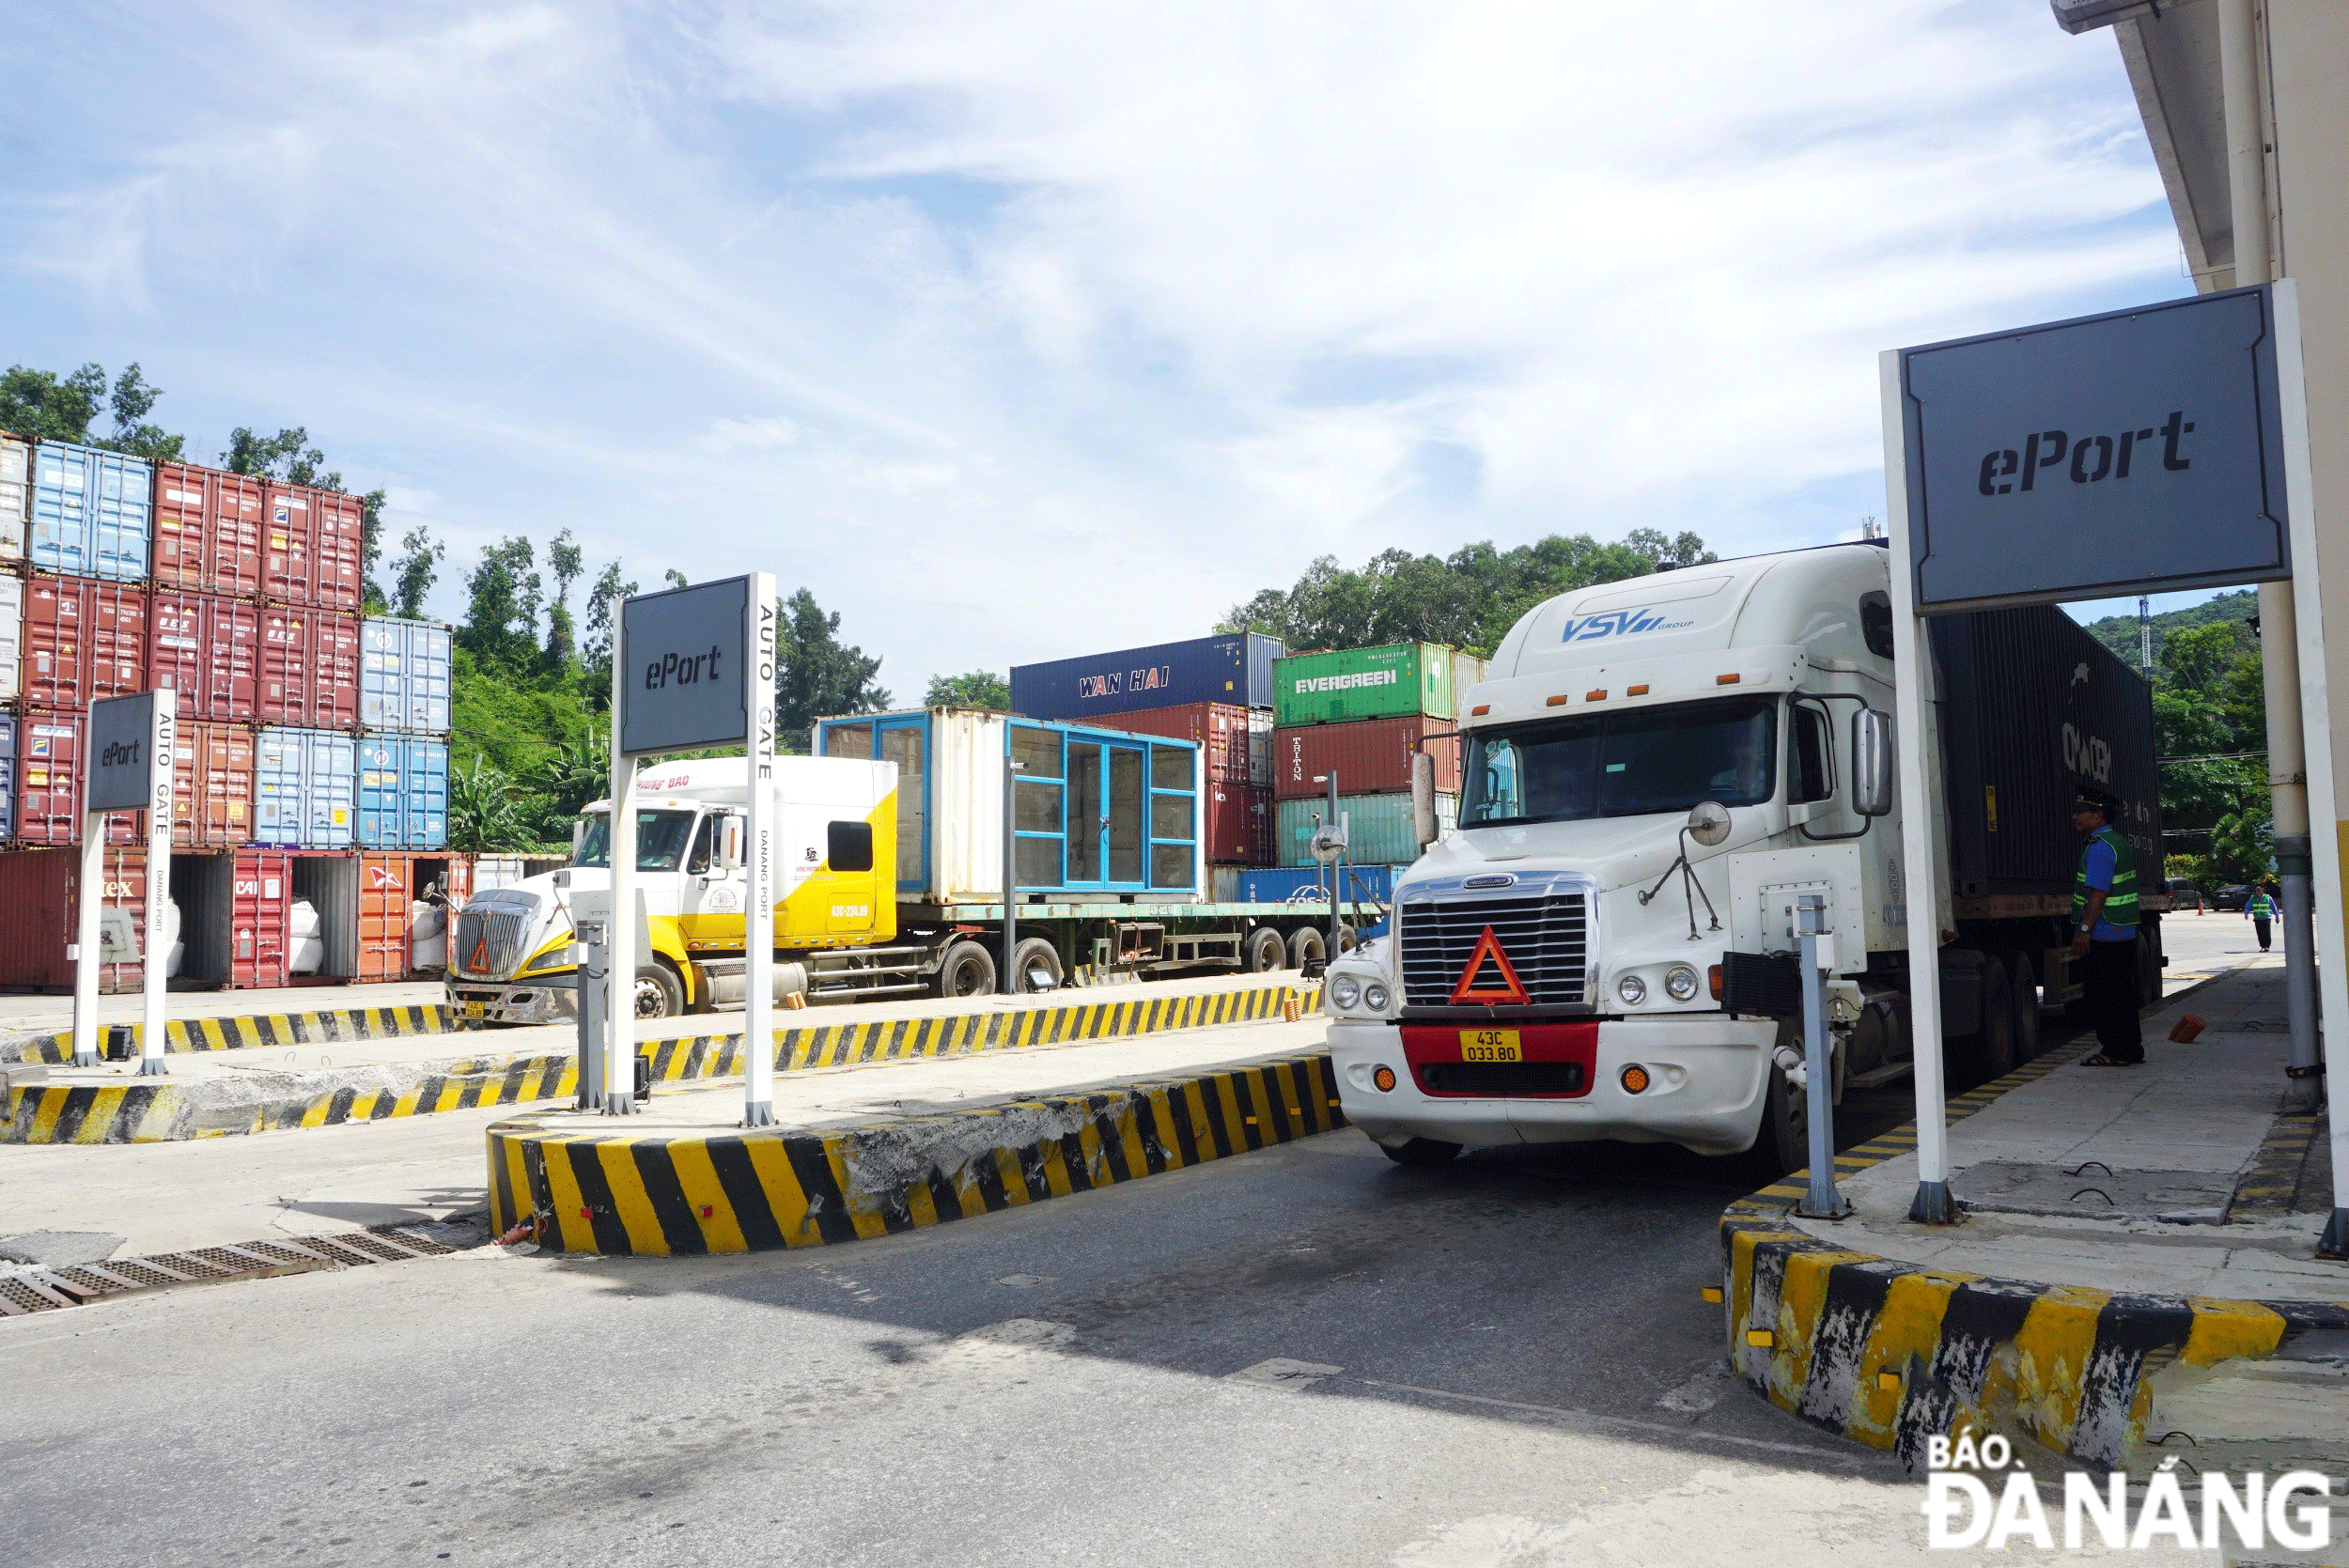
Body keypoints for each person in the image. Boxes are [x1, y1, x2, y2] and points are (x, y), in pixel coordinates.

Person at [2070, 795, 2143, 1066]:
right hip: (2122, 931)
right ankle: (2131, 1050)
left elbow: (2098, 894)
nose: (2074, 817)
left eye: (2081, 812)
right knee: (2123, 995)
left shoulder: (2099, 848)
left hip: (2104, 932)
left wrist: (2084, 929)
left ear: (2098, 817)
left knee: (2104, 997)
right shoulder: (2118, 843)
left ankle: (2114, 1051)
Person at [2246, 883, 2278, 952]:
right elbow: (2248, 906)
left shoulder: (2268, 898)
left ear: (2262, 891)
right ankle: (2262, 946)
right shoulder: (2253, 898)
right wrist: (2246, 913)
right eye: (2257, 890)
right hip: (2257, 918)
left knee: (2267, 933)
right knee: (2260, 933)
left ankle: (2267, 946)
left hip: (2266, 918)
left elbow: (2274, 907)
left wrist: (2277, 916)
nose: (2258, 891)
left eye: (2259, 890)